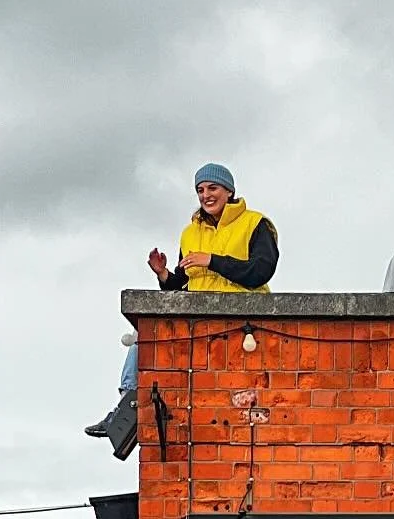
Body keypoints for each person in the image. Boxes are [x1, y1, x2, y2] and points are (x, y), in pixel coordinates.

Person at [86, 164, 279, 445]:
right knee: (146, 338)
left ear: (229, 191)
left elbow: (261, 271)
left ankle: (132, 413)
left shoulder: (255, 223)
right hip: (199, 316)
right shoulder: (190, 232)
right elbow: (184, 283)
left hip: (244, 318)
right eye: (200, 190)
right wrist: (164, 274)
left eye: (212, 188)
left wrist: (211, 260)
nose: (205, 195)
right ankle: (126, 408)